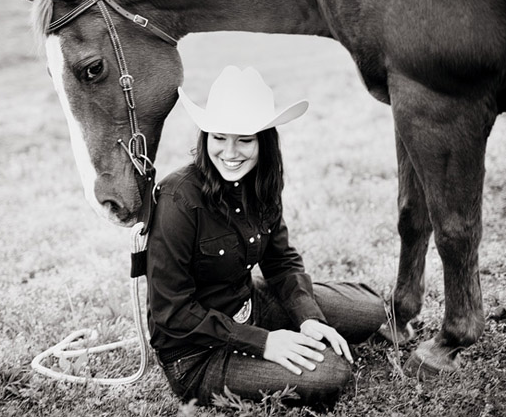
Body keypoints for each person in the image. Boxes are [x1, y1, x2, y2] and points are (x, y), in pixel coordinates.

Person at [146, 66, 386, 408]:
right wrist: (264, 343)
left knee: (371, 311)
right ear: (205, 137)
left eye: (244, 139)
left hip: (250, 304)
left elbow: (280, 261)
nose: (230, 153)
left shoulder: (262, 183)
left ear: (263, 141)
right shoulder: (178, 198)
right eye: (219, 137)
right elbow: (172, 312)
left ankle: (311, 321)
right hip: (198, 353)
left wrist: (309, 318)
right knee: (330, 373)